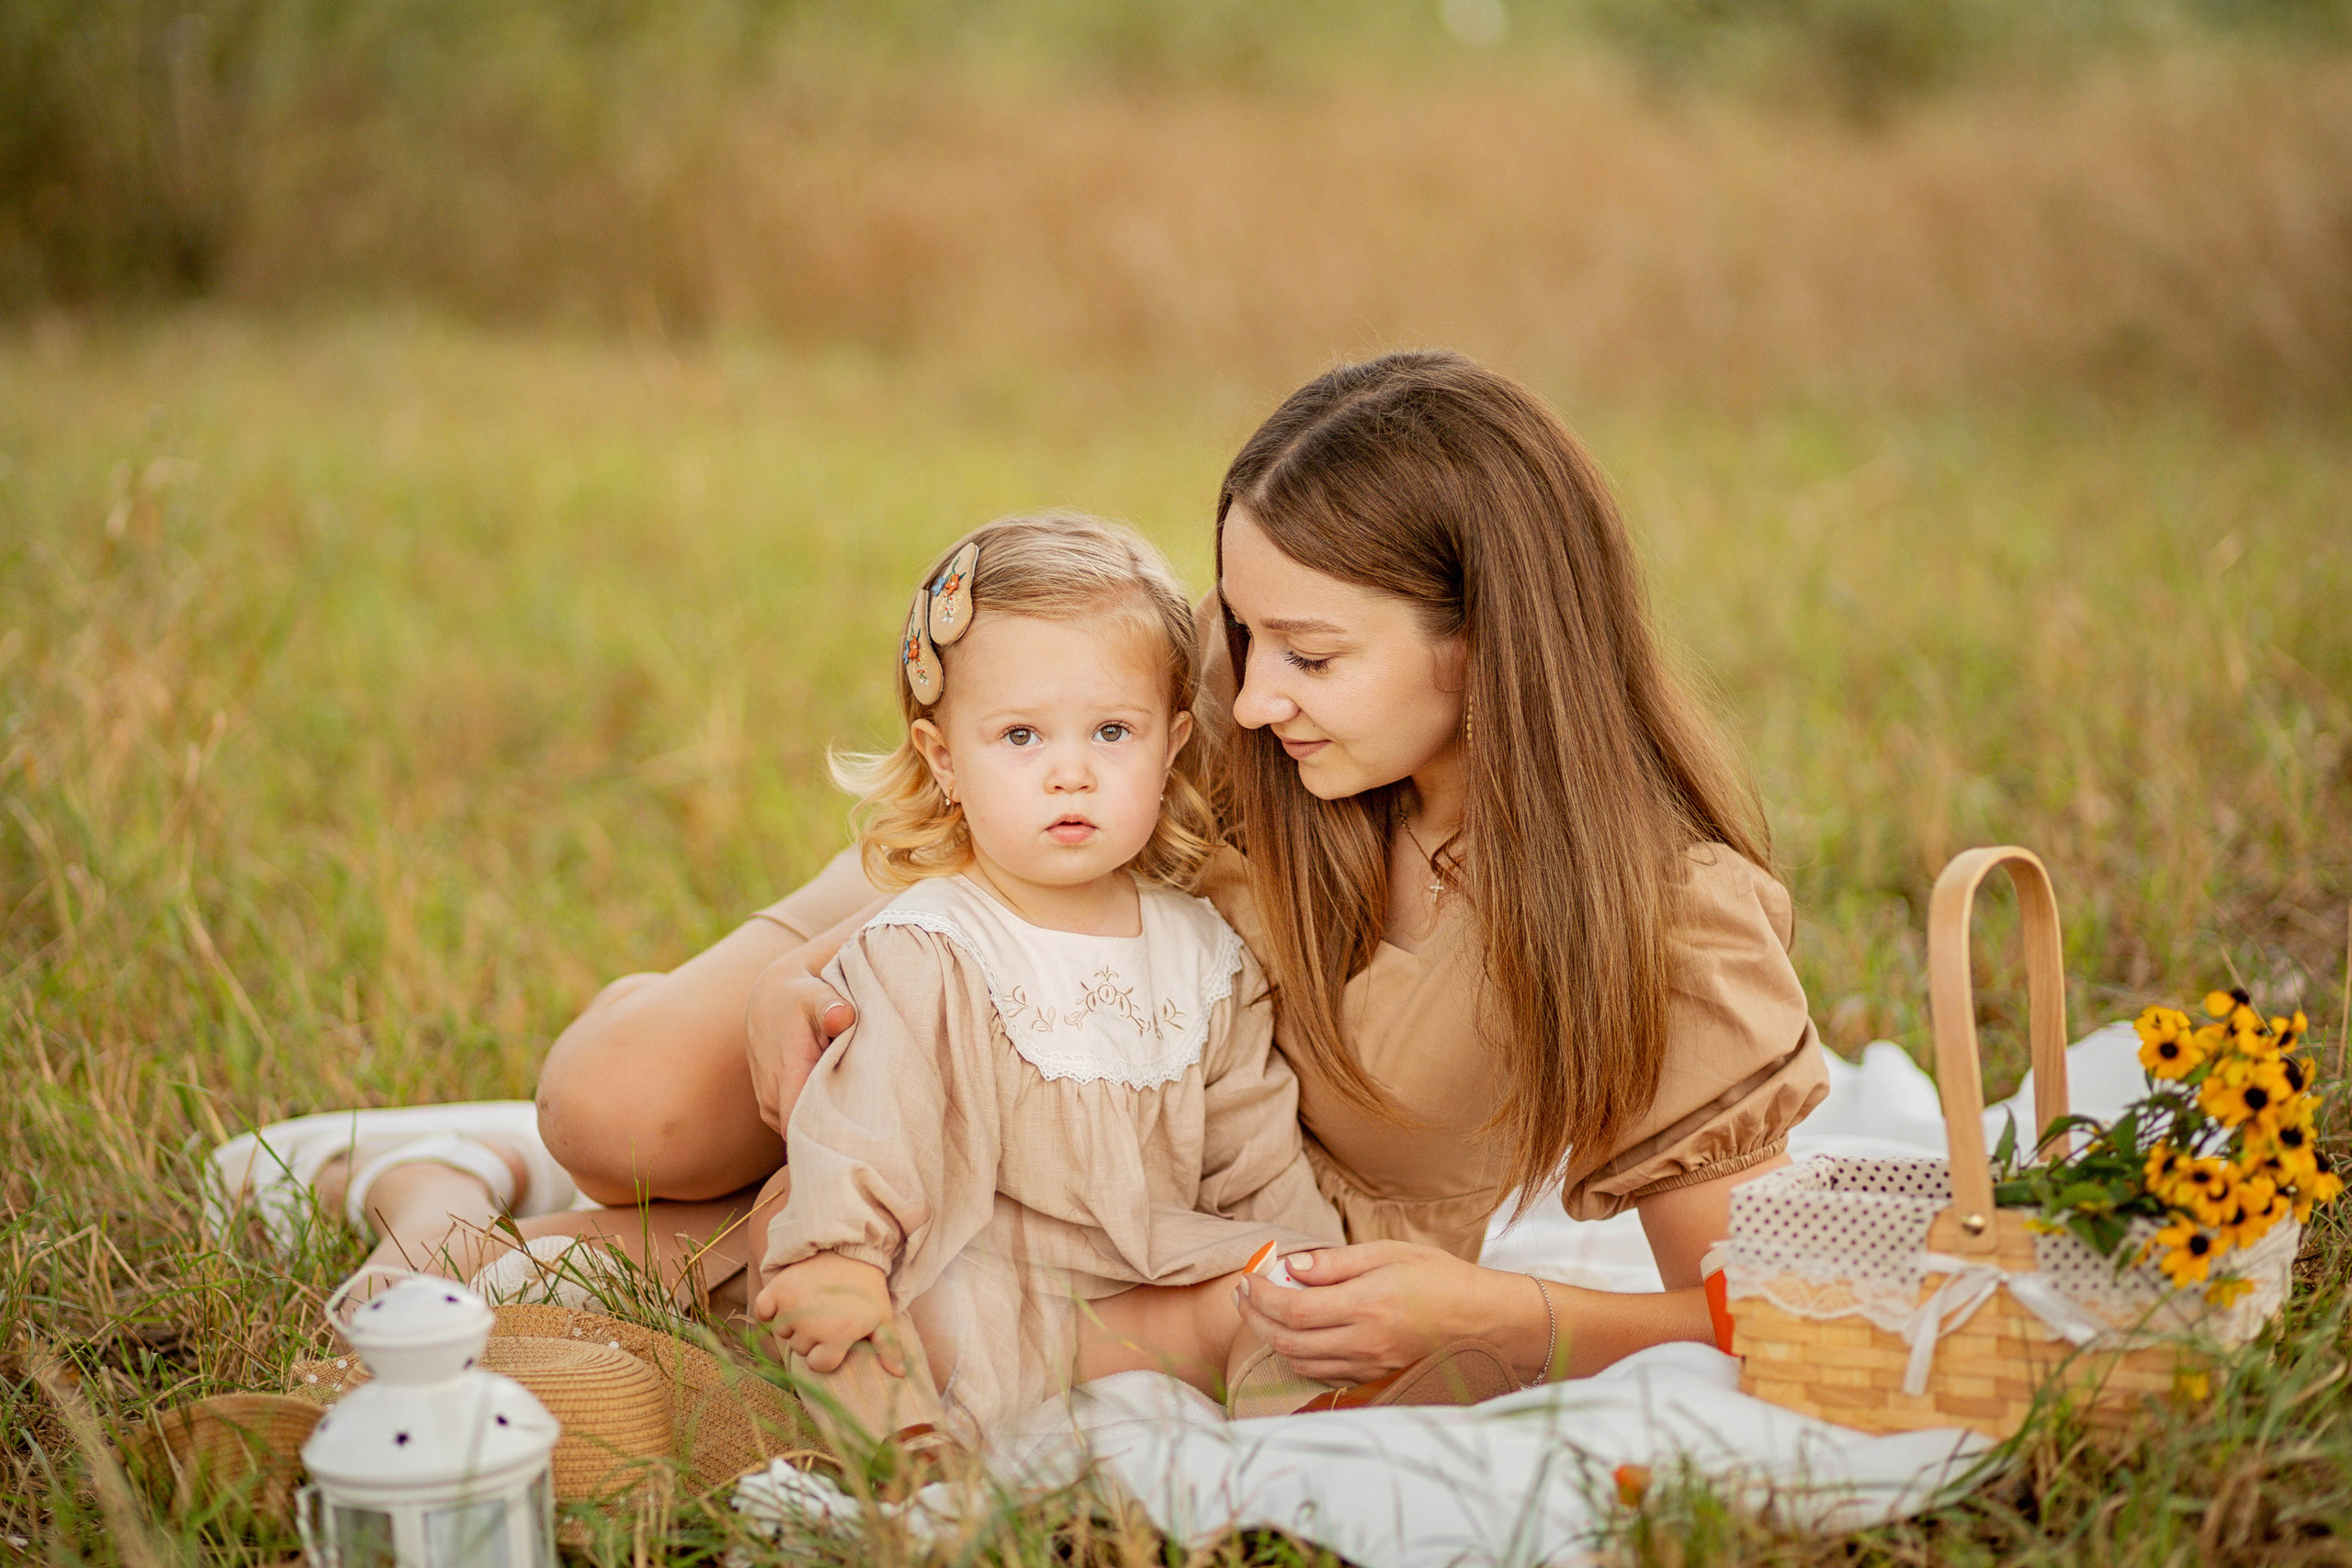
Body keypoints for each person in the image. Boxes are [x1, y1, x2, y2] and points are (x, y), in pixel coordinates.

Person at [214, 348, 1826, 1401]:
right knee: (622, 1111)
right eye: (1243, 632)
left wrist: (1489, 1317)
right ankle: (526, 1151)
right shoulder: (1253, 747)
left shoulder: (1663, 917)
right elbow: (1045, 788)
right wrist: (833, 969)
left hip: (1141, 1184)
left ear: (1491, 644)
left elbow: (1768, 1315)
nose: (1252, 698)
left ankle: (431, 1188)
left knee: (789, 1290)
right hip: (1011, 948)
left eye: (1311, 652)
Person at [749, 510, 1380, 1442]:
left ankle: (1314, 1447)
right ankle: (912, 1468)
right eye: (1020, 738)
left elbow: (1253, 1151)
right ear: (944, 760)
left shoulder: (1204, 957)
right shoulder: (931, 944)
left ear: (1170, 748)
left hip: (1138, 1291)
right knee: (850, 1319)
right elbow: (866, 1129)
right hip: (968, 1281)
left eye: (1112, 733)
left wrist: (1302, 1264)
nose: (1070, 774)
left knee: (1273, 1296)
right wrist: (843, 1257)